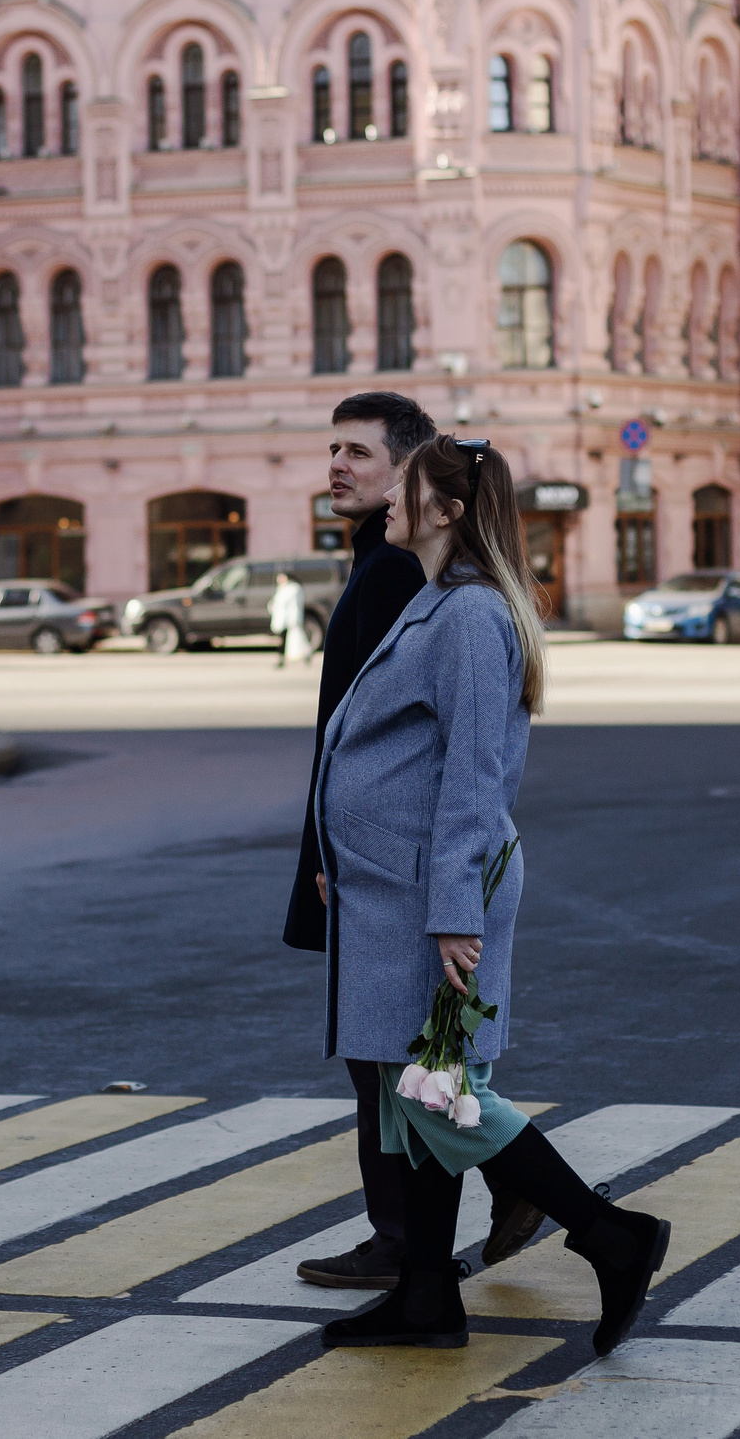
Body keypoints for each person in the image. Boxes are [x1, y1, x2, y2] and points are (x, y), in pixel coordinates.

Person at [313, 435, 670, 1354]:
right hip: (392, 887)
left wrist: (453, 914)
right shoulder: (435, 600)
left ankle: (611, 1235)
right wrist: (339, 852)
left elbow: (474, 775)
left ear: (446, 509)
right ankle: (428, 1294)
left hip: (433, 892)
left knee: (440, 1088)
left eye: (408, 482)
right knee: (412, 1089)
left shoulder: (470, 616)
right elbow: (392, 754)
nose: (390, 494)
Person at [288, 392, 532, 1292]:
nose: (339, 466)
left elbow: (467, 767)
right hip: (378, 865)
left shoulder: (432, 590)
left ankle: (565, 1220)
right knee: (404, 1068)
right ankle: (427, 1262)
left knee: (408, 1070)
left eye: (359, 452)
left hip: (409, 873)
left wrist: (448, 899)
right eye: (333, 448)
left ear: (420, 483)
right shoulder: (385, 561)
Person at [269, 571, 307, 670]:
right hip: (283, 620)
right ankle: (282, 659)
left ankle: (304, 655)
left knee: (296, 639)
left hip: (291, 619)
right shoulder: (282, 589)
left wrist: (294, 618)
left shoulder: (294, 589)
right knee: (286, 640)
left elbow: (295, 606)